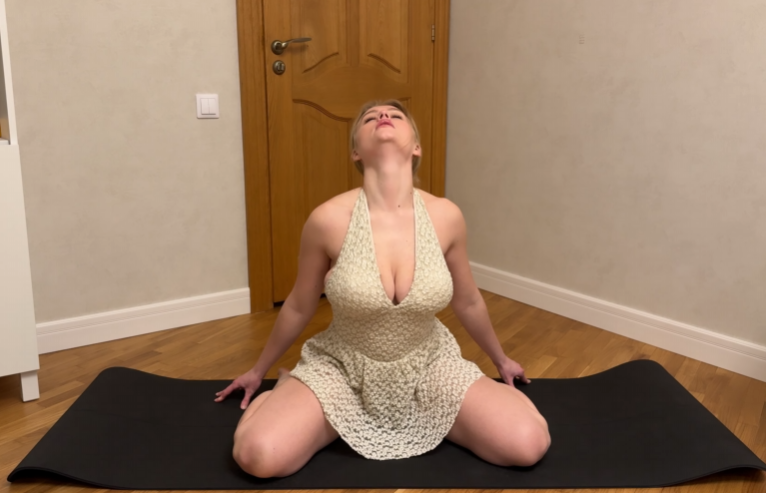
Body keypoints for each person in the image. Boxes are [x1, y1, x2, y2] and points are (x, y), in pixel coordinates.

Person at [214, 100, 551, 478]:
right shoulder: (326, 220)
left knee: (529, 443)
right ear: (355, 152)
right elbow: (297, 305)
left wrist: (501, 360)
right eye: (370, 117)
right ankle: (287, 386)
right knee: (258, 456)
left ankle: (438, 410)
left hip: (428, 365)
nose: (383, 116)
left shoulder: (446, 216)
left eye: (396, 115)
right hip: (343, 368)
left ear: (416, 147)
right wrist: (258, 371)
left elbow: (468, 300)